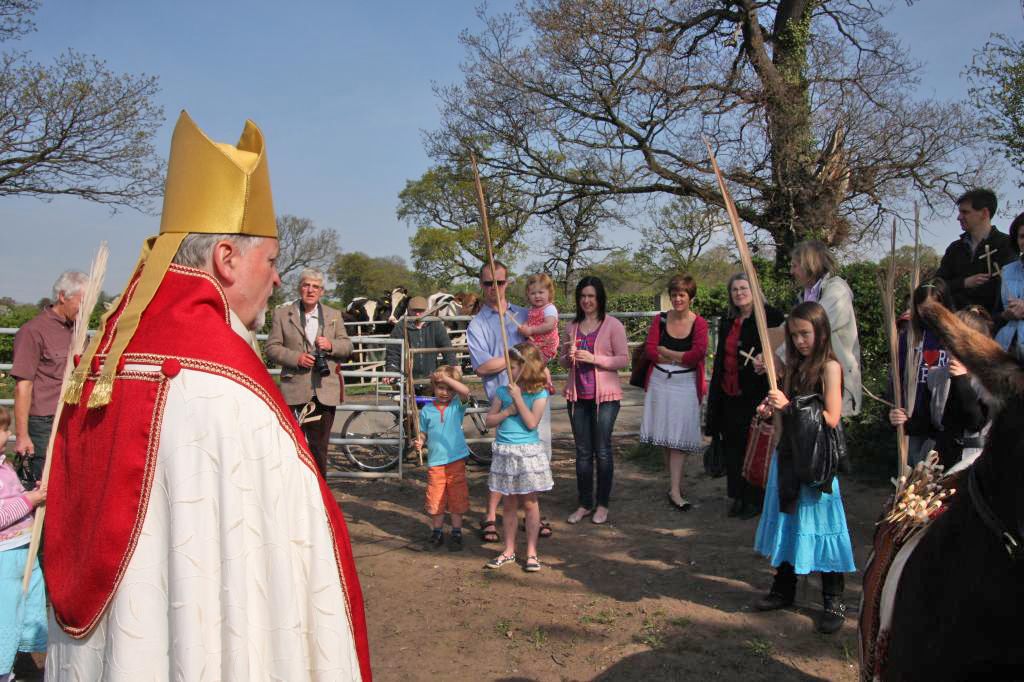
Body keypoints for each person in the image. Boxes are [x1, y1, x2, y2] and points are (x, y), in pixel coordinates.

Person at [43, 111, 370, 680]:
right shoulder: (229, 389)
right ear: (226, 257)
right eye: (271, 261)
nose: (276, 278)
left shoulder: (105, 356)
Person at [753, 301, 856, 636]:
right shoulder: (793, 367)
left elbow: (831, 418)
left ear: (821, 332)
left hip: (816, 462)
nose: (799, 341)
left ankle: (834, 601)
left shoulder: (830, 367)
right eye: (794, 335)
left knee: (822, 526)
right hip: (788, 456)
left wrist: (790, 406)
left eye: (805, 334)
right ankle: (784, 588)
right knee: (788, 520)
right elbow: (786, 411)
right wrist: (771, 408)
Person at [467, 261, 552, 543]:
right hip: (501, 398)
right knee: (502, 459)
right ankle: (491, 515)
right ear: (481, 285)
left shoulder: (524, 314)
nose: (494, 287)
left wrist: (537, 360)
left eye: (500, 282)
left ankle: (532, 513)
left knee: (531, 454)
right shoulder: (477, 324)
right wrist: (515, 356)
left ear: (508, 283)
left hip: (531, 395)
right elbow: (482, 366)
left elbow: (541, 347)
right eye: (488, 283)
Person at [705, 273, 785, 519]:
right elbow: (721, 358)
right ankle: (737, 496)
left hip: (755, 393)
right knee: (733, 446)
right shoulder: (729, 321)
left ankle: (755, 499)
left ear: (754, 291)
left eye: (743, 288)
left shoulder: (771, 316)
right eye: (735, 289)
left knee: (755, 445)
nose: (739, 293)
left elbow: (780, 348)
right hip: (729, 392)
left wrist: (768, 362)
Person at [265, 268, 353, 477]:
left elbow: (348, 347)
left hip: (324, 391)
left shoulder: (333, 315)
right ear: (299, 288)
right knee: (291, 446)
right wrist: (296, 358)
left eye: (315, 287)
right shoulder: (282, 314)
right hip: (294, 390)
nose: (310, 290)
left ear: (322, 291)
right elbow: (271, 348)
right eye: (306, 285)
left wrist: (331, 345)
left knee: (319, 448)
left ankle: (319, 491)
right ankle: (293, 490)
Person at [559, 276, 629, 526]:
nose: (587, 300)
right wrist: (568, 357)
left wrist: (594, 358)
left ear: (599, 298)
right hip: (577, 397)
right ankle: (584, 503)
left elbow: (623, 359)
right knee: (582, 453)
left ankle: (602, 504)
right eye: (583, 296)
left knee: (603, 451)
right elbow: (563, 362)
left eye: (591, 296)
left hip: (605, 399)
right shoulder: (571, 327)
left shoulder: (613, 325)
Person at [10, 270, 88, 488]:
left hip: (73, 416)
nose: (85, 309)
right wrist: (22, 435)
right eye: (82, 302)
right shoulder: (33, 331)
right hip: (43, 422)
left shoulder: (79, 332)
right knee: (40, 483)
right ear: (63, 296)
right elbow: (23, 386)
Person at [639, 274, 708, 511]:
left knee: (678, 437)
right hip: (660, 383)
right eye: (674, 294)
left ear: (690, 297)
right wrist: (679, 357)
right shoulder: (660, 320)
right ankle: (674, 486)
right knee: (667, 436)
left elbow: (696, 355)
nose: (677, 299)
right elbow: (650, 350)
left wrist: (667, 352)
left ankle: (675, 490)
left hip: (685, 384)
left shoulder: (699, 323)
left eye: (682, 295)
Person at [483, 343, 553, 573]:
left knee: (530, 502)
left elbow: (532, 423)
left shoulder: (540, 393)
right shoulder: (503, 392)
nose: (507, 371)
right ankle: (509, 550)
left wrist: (519, 400)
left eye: (512, 367)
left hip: (527, 452)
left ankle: (532, 552)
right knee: (509, 503)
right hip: (505, 451)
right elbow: (489, 421)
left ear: (526, 367)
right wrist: (506, 411)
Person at [789, 240, 862, 417]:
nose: (791, 271)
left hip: (835, 382)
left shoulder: (837, 291)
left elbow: (815, 325)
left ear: (809, 264)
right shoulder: (804, 296)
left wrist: (778, 356)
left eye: (795, 265)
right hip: (811, 381)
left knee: (829, 425)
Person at [0, 406, 47, 682]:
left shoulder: (5, 467)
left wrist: (34, 493)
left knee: (28, 611)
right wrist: (29, 501)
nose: (6, 435)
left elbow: (15, 500)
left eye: (6, 428)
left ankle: (20, 661)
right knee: (5, 615)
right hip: (4, 556)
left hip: (22, 549)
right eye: (2, 429)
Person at [886, 280, 952, 466]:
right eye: (922, 308)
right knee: (915, 473)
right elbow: (896, 378)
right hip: (914, 421)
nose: (928, 313)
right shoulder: (909, 338)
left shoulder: (952, 337)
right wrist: (894, 408)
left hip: (945, 423)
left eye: (933, 307)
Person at [414, 365, 472, 552]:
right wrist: (420, 441)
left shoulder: (457, 406)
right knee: (435, 497)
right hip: (436, 462)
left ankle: (456, 531)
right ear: (433, 386)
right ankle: (437, 531)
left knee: (457, 497)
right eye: (440, 387)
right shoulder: (427, 410)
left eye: (449, 389)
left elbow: (466, 391)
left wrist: (446, 379)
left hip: (456, 460)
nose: (445, 392)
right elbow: (423, 432)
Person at [935, 188, 1014, 314]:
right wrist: (964, 283)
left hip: (994, 322)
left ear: (984, 213)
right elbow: (935, 285)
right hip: (956, 321)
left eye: (965, 212)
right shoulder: (955, 249)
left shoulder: (1007, 245)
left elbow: (1011, 287)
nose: (959, 217)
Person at [930, 307, 991, 471]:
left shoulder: (990, 380)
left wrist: (961, 379)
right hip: (941, 458)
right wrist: (903, 420)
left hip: (975, 461)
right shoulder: (937, 375)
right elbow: (930, 423)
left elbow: (975, 423)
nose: (948, 347)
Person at [385, 295, 456, 388]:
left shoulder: (435, 324)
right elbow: (393, 352)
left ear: (427, 310)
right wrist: (392, 370)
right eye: (414, 311)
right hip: (407, 379)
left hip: (431, 379)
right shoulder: (401, 326)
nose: (418, 314)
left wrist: (452, 369)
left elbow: (447, 349)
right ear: (408, 310)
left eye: (421, 311)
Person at [994, 212, 1024, 359]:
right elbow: (995, 315)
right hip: (1006, 353)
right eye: (1022, 236)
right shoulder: (1006, 271)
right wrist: (1005, 315)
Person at [518, 273, 560, 362]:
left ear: (549, 293)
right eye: (533, 293)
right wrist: (524, 327)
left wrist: (531, 330)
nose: (537, 296)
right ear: (528, 295)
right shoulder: (532, 309)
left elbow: (549, 325)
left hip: (546, 345)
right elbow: (530, 321)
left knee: (530, 364)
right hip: (534, 344)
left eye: (541, 292)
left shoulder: (549, 308)